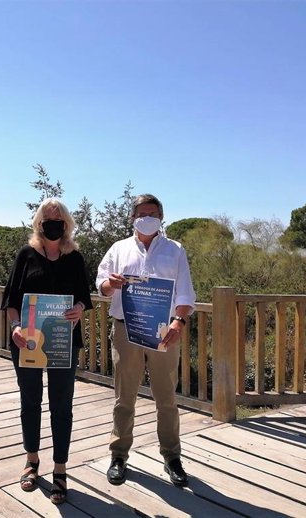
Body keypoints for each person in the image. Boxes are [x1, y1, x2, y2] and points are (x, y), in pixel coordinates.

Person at [96, 193, 196, 487]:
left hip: (165, 330)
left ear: (161, 217)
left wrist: (179, 320)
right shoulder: (118, 248)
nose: (147, 217)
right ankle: (118, 455)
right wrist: (109, 285)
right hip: (127, 330)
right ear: (133, 218)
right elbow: (101, 283)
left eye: (152, 213)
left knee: (166, 398)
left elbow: (185, 292)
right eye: (142, 213)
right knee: (123, 398)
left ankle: (172, 456)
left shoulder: (175, 250)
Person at [1, 198, 93, 505]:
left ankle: (60, 469)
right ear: (39, 223)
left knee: (61, 405)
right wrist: (15, 327)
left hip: (63, 342)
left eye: (58, 219)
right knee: (30, 401)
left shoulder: (75, 257)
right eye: (47, 219)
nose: (52, 224)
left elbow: (84, 297)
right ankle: (32, 460)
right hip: (26, 342)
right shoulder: (25, 255)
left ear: (66, 224)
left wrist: (79, 309)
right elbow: (11, 300)